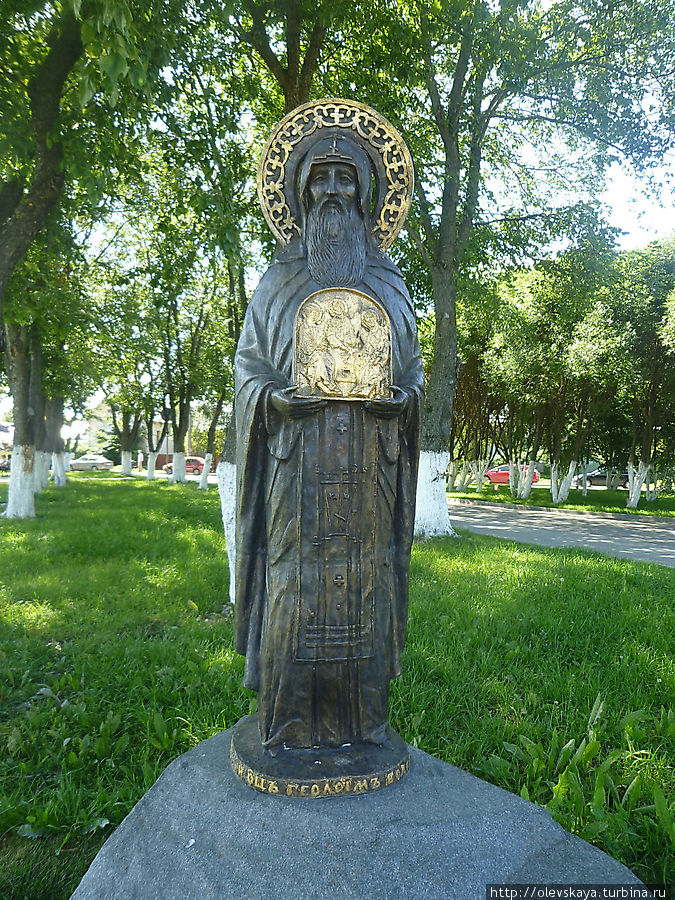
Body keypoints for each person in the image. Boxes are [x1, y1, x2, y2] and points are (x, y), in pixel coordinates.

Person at [234, 133, 423, 751]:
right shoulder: (278, 279)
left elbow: (412, 373)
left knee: (366, 586)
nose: (335, 190)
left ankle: (363, 723)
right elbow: (249, 369)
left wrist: (402, 400)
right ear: (302, 190)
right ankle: (288, 723)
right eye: (323, 178)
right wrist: (274, 401)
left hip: (369, 470)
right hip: (297, 470)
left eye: (348, 178)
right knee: (296, 585)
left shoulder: (389, 284)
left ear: (367, 195)